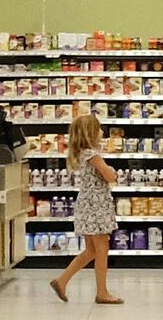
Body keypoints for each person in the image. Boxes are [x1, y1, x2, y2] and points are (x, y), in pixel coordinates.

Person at [50, 103, 123, 305]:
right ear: (91, 133)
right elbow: (109, 176)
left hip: (87, 203)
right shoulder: (92, 154)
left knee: (91, 250)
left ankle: (62, 280)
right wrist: (112, 171)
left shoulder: (81, 153)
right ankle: (102, 292)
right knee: (102, 248)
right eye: (99, 128)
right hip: (96, 205)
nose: (102, 131)